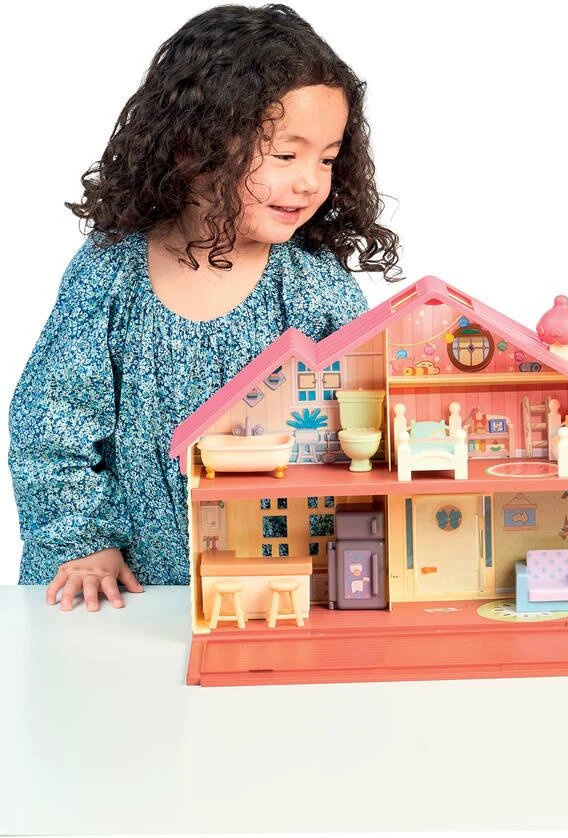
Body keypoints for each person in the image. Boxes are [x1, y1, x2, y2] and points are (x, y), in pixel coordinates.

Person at [9, 4, 401, 611]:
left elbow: (368, 405)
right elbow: (50, 422)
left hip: (275, 582)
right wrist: (83, 543)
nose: (310, 182)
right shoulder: (112, 271)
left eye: (326, 158)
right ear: (195, 146)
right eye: (285, 155)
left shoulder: (315, 284)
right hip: (128, 589)